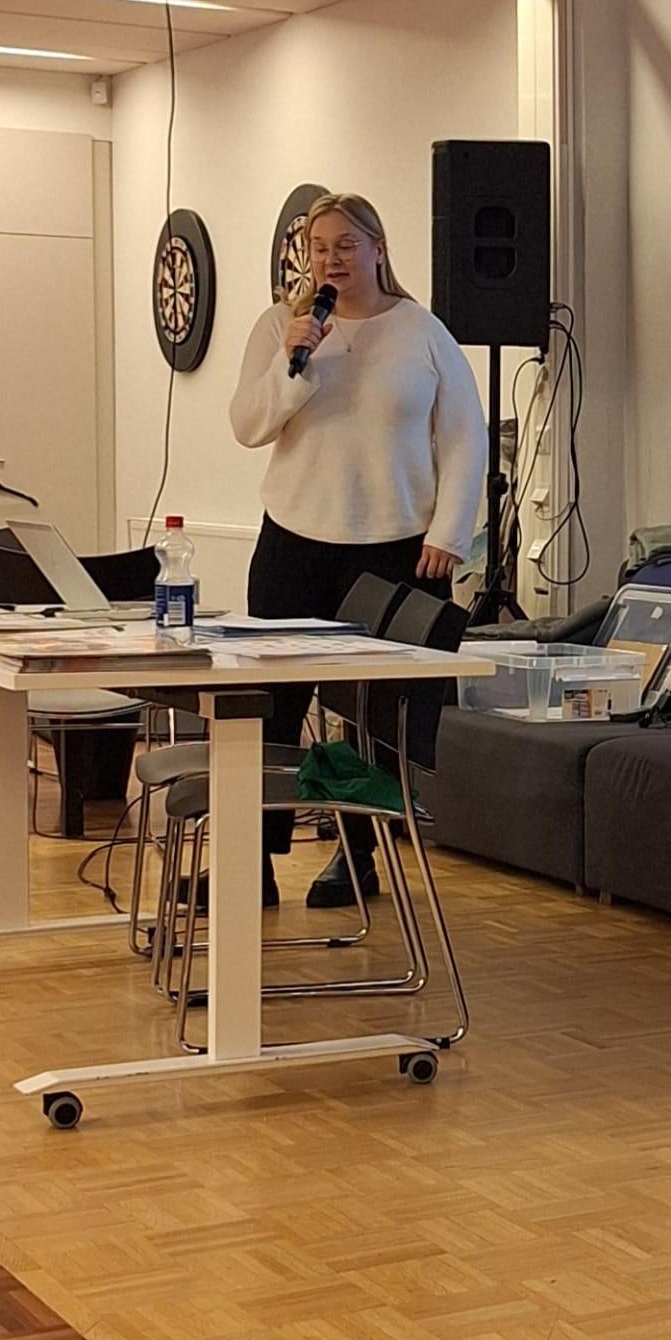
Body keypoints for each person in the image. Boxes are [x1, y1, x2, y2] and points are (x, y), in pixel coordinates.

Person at [226, 192, 486, 908]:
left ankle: (357, 854)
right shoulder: (281, 327)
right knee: (272, 709)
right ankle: (254, 862)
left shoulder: (422, 331)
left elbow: (464, 438)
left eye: (346, 244)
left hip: (399, 547)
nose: (331, 259)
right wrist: (293, 364)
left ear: (378, 248)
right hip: (294, 540)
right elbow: (248, 426)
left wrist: (449, 533)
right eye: (319, 247)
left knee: (375, 716)